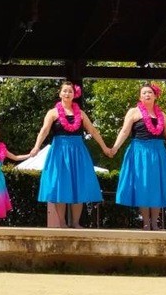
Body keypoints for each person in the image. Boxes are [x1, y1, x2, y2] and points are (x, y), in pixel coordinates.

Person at [109, 82, 166, 231]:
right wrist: (115, 148)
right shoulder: (133, 112)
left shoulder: (162, 115)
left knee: (157, 186)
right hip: (139, 152)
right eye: (144, 93)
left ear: (155, 96)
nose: (147, 95)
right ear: (140, 97)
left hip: (158, 153)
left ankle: (155, 223)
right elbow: (124, 131)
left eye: (150, 92)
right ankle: (145, 222)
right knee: (143, 185)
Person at [26, 81, 113, 229]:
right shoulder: (52, 113)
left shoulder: (81, 114)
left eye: (70, 91)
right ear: (60, 93)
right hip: (59, 151)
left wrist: (105, 147)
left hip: (78, 151)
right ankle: (62, 222)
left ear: (74, 94)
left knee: (78, 184)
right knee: (61, 185)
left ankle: (76, 222)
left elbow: (93, 131)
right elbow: (44, 130)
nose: (67, 93)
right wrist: (36, 146)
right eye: (65, 91)